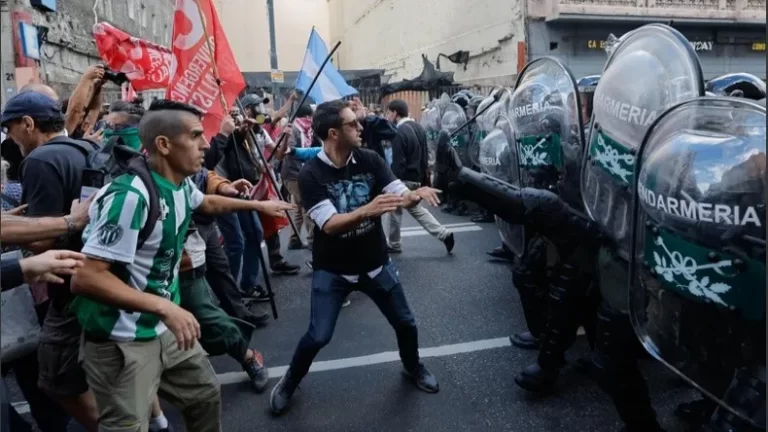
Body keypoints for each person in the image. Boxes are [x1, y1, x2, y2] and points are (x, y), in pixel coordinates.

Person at [70, 100, 294, 431]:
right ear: (163, 144)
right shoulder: (131, 196)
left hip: (164, 329)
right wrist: (165, 307)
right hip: (121, 340)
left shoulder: (178, 183)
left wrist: (257, 204)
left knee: (204, 394)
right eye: (195, 136)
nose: (206, 144)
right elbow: (86, 278)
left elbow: (206, 201)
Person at [269, 100, 441, 415]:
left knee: (406, 323)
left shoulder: (370, 159)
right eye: (352, 124)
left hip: (375, 265)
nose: (360, 128)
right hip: (333, 271)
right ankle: (290, 381)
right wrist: (368, 209)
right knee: (318, 335)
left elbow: (397, 191)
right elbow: (331, 225)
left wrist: (412, 195)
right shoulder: (311, 175)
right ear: (333, 133)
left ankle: (413, 366)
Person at [1, 91, 100, 430]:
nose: (10, 141)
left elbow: (41, 240)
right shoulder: (86, 148)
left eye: (11, 129)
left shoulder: (40, 161)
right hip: (92, 278)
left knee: (55, 377)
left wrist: (27, 235)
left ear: (28, 124)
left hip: (59, 285)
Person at [385, 99, 454, 254]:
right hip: (416, 178)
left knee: (395, 210)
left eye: (389, 112)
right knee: (415, 210)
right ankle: (444, 234)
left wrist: (393, 181)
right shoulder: (419, 128)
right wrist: (423, 180)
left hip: (402, 180)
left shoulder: (398, 131)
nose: (387, 116)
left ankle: (394, 244)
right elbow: (424, 156)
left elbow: (398, 161)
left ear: (395, 113)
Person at [281, 103, 315, 250]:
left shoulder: (308, 130)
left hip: (301, 173)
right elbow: (289, 150)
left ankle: (294, 240)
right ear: (307, 116)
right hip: (293, 174)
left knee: (299, 208)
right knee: (307, 207)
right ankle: (314, 241)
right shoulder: (295, 129)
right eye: (311, 116)